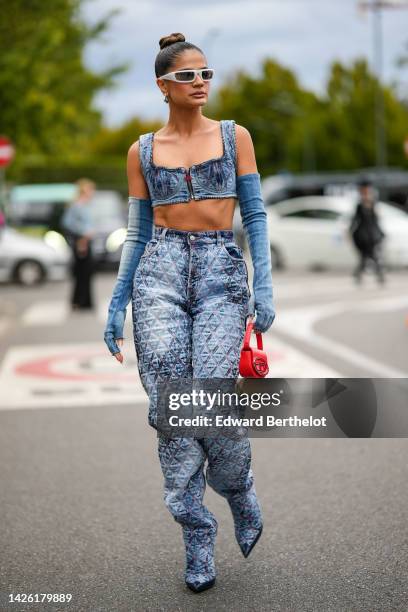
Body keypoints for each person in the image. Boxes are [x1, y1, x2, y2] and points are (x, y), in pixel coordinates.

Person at [104, 32, 276, 593]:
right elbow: (136, 231)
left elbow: (254, 217)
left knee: (209, 393)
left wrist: (265, 288)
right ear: (163, 85)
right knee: (169, 404)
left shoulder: (235, 137)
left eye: (205, 73)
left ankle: (236, 484)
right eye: (187, 76)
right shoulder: (142, 151)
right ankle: (196, 531)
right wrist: (117, 301)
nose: (200, 82)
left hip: (222, 273)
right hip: (159, 271)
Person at [61, 178, 96, 310]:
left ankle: (85, 301)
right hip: (80, 242)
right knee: (81, 272)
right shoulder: (76, 206)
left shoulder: (86, 206)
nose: (92, 192)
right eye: (90, 189)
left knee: (87, 272)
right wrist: (83, 232)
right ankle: (79, 301)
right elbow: (67, 223)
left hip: (87, 242)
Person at [349, 178, 386, 285]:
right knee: (369, 255)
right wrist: (351, 231)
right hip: (362, 235)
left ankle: (359, 275)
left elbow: (375, 219)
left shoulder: (372, 202)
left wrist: (380, 232)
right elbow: (355, 219)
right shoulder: (360, 205)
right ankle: (378, 276)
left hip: (371, 234)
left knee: (367, 256)